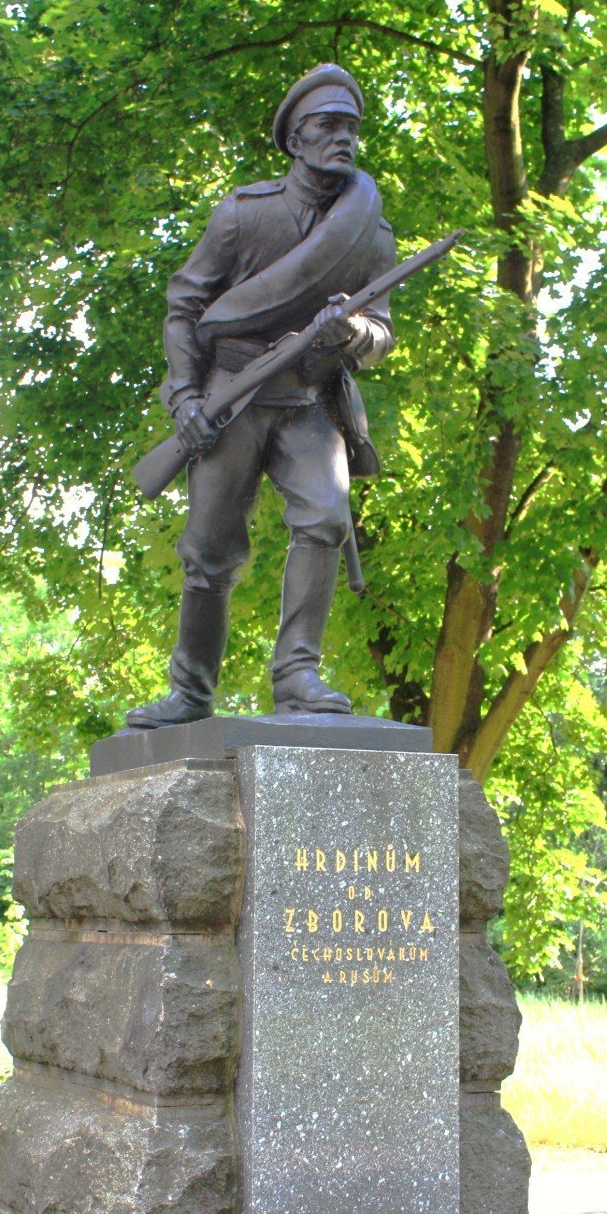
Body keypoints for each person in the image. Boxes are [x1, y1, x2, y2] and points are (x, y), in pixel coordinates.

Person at [127, 63, 397, 727]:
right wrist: (186, 398)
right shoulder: (243, 216)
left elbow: (381, 332)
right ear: (296, 139)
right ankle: (190, 690)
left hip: (309, 398)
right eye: (328, 126)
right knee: (209, 551)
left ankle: (297, 673)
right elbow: (185, 308)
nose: (343, 140)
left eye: (351, 128)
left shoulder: (370, 234)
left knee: (327, 517)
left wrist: (352, 329)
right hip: (233, 397)